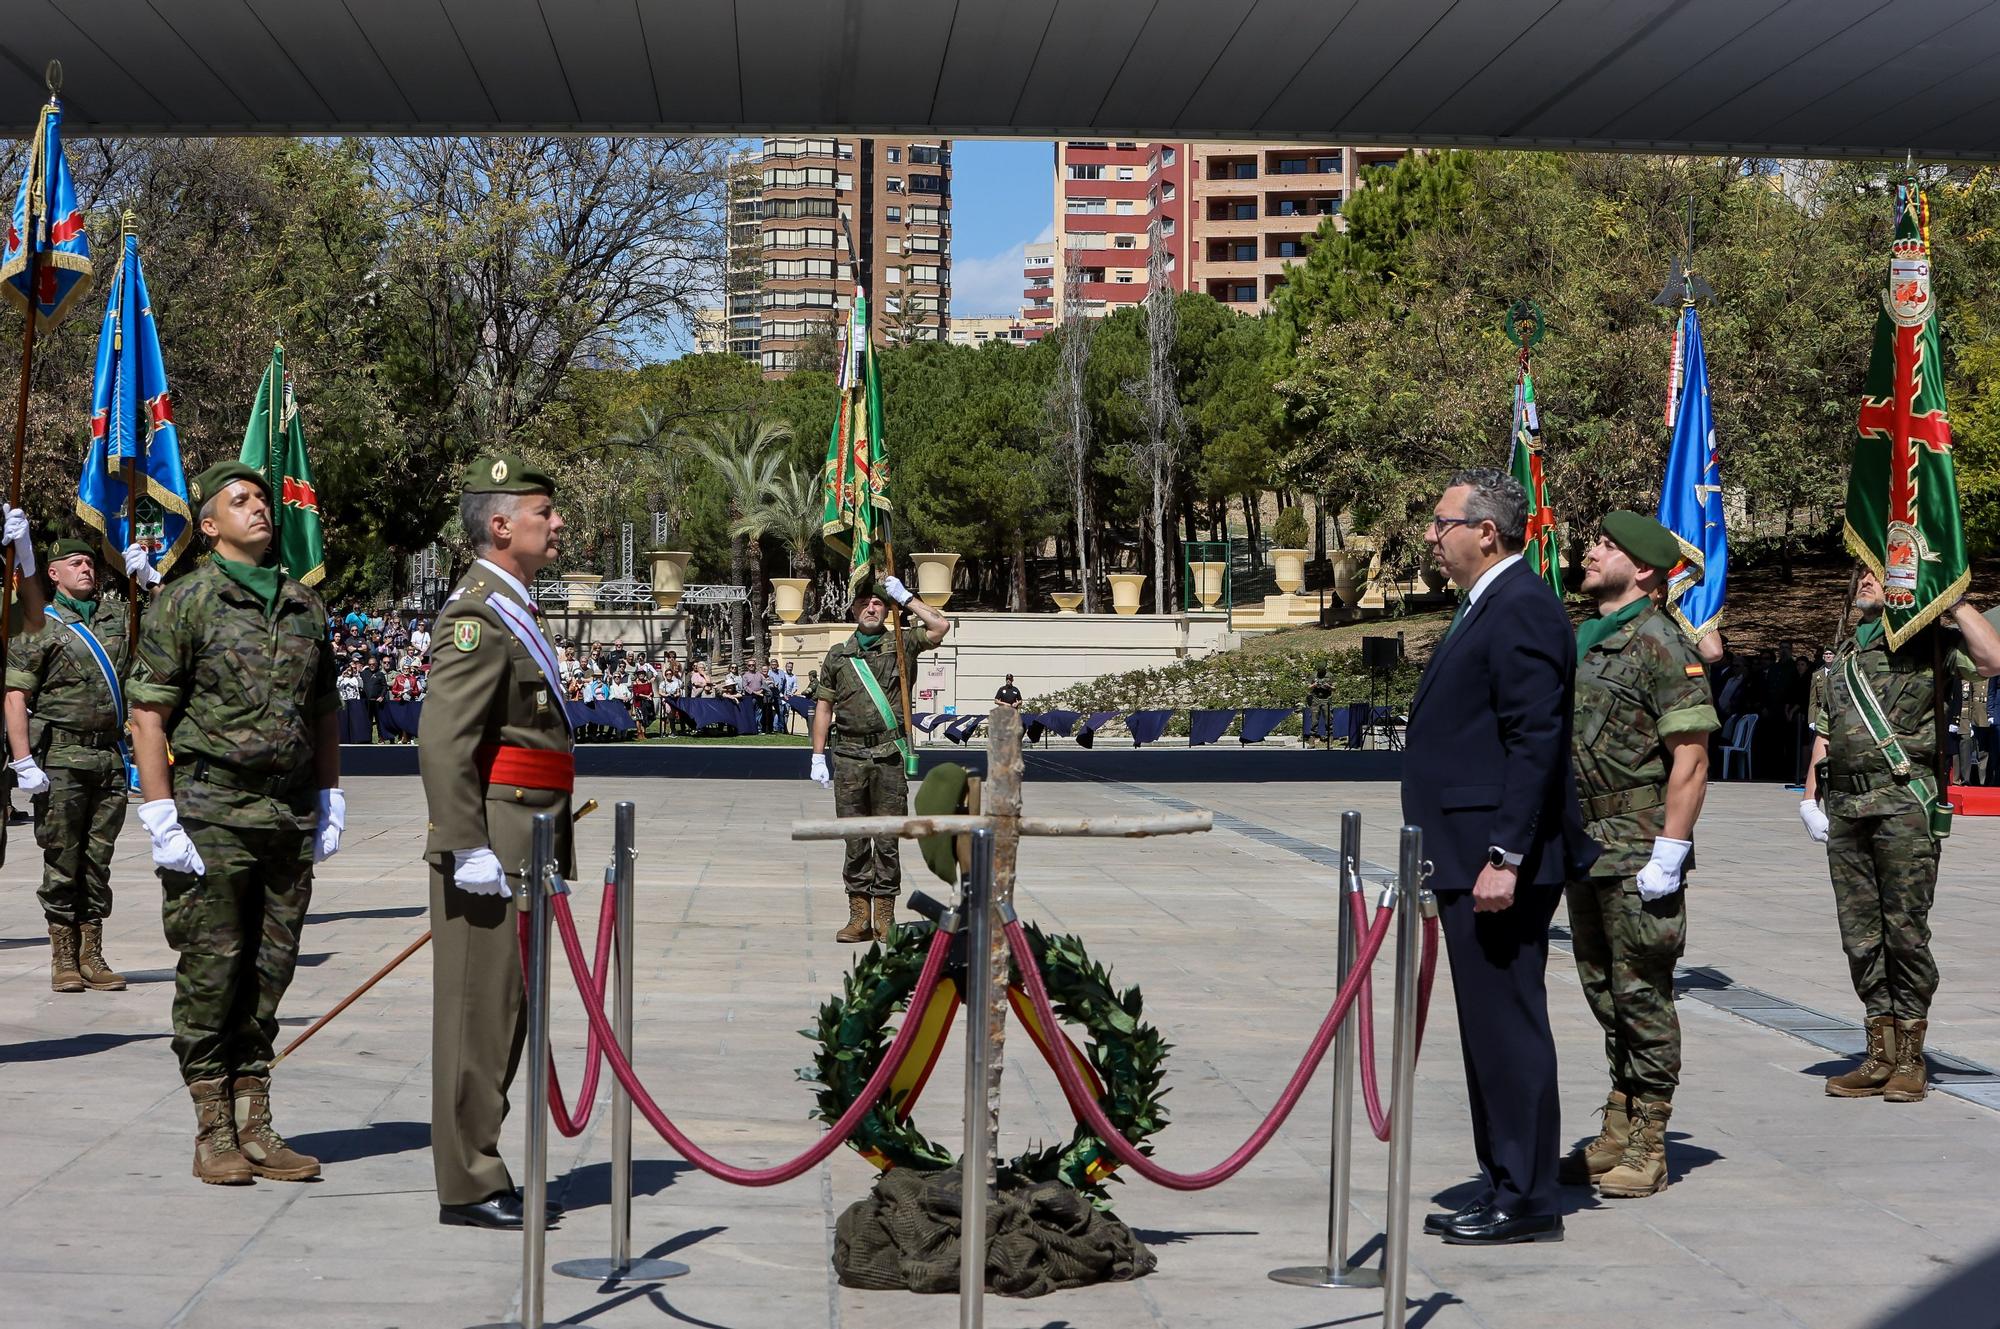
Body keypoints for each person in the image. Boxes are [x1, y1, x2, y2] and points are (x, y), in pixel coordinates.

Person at [127, 461, 344, 1187]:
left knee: (270, 972)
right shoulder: (185, 601)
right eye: (239, 500)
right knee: (212, 973)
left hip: (286, 814)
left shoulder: (303, 605)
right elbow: (149, 710)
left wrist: (331, 794)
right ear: (210, 525)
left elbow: (323, 709)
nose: (258, 507)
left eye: (261, 498)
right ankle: (212, 1126)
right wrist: (160, 812)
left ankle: (256, 1117)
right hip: (212, 809)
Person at [1402, 468, 1591, 1245]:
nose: (1430, 534)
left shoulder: (1521, 607)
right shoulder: (1489, 604)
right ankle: (1505, 1177)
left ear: (1486, 530)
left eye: (1441, 521)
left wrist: (1505, 854)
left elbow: (1535, 741)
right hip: (1469, 853)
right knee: (1486, 1028)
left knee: (1507, 1025)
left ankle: (1528, 1195)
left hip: (1498, 861)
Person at [418, 452, 574, 1231]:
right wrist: (465, 842)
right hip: (494, 842)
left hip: (525, 836)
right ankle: (469, 1180)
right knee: (477, 1015)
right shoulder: (476, 615)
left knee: (505, 1013)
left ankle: (483, 1163)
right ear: (502, 523)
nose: (558, 524)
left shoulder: (513, 607)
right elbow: (445, 742)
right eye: (544, 511)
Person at [1557, 513, 1718, 1199]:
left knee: (1642, 990)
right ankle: (1619, 1122)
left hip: (1638, 842)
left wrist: (1670, 851)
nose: (1591, 552)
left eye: (1607, 547)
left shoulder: (1659, 641)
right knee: (1602, 987)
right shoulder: (1588, 639)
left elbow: (1691, 757)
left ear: (1645, 570)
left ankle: (1651, 1138)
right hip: (1586, 842)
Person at [1800, 569, 2000, 1102]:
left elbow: (1993, 659)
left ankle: (1911, 1055)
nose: (1867, 579)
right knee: (1859, 935)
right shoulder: (1841, 653)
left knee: (1904, 929)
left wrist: (1950, 600)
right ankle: (1879, 1049)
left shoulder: (1927, 642)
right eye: (1862, 571)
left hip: (1901, 803)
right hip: (1845, 804)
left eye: (1879, 571)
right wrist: (1808, 796)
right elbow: (1825, 730)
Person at [4, 535, 159, 993]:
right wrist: (23, 760)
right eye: (75, 563)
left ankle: (92, 952)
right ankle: (64, 956)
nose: (86, 569)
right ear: (53, 573)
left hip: (108, 758)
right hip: (60, 760)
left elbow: (176, 625)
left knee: (98, 860)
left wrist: (151, 581)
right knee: (62, 858)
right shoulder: (38, 623)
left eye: (90, 563)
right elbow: (15, 695)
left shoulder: (117, 615)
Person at [809, 577, 951, 942]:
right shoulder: (839, 656)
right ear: (854, 609)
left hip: (888, 755)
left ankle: (884, 918)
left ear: (887, 610)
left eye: (878, 603)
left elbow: (939, 626)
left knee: (887, 838)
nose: (871, 608)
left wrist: (907, 598)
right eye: (864, 603)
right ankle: (858, 917)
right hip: (849, 756)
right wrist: (817, 756)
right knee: (855, 839)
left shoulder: (901, 645)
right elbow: (824, 708)